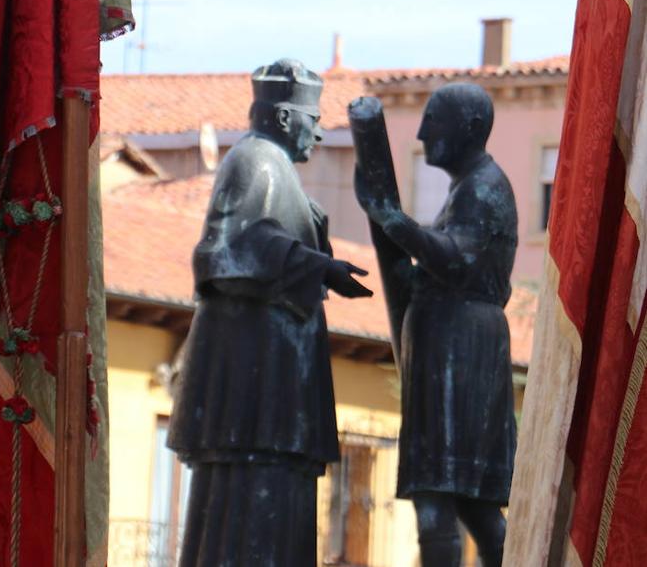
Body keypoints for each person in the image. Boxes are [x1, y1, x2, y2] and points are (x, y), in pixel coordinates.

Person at [168, 58, 371, 567]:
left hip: (277, 375)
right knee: (254, 499)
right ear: (284, 118)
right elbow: (229, 248)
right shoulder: (255, 162)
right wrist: (321, 268)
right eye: (314, 119)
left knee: (276, 494)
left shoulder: (272, 166)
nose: (320, 133)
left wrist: (318, 264)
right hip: (256, 383)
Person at [354, 83, 517, 567]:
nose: (423, 133)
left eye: (434, 121)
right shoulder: (468, 187)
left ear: (468, 130)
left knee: (438, 491)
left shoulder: (485, 187)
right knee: (469, 499)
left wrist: (392, 220)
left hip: (460, 348)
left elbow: (455, 259)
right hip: (453, 343)